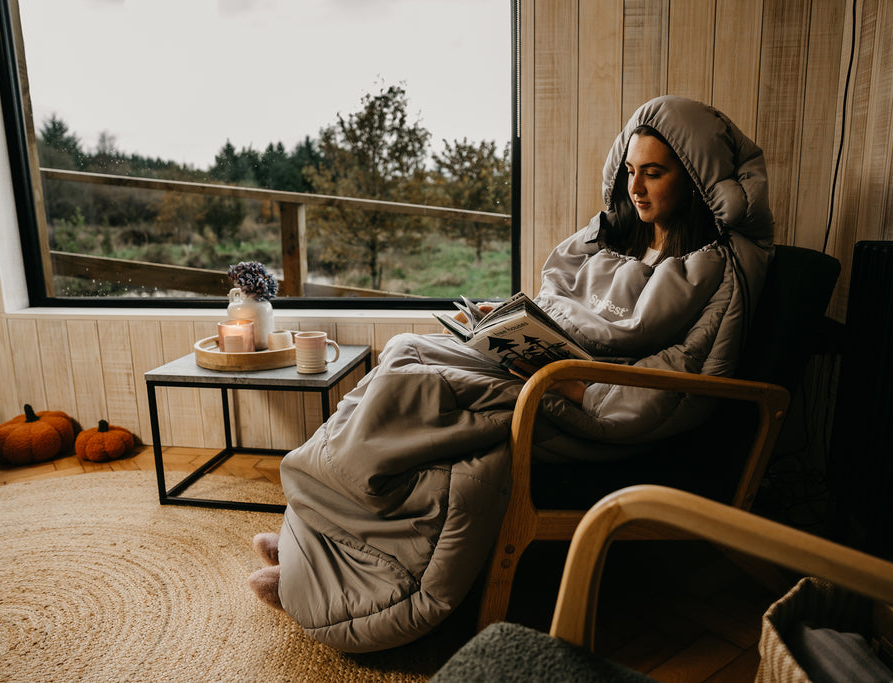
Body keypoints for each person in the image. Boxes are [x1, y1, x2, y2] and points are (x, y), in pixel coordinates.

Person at [248, 95, 774, 652]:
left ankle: (329, 571)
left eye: (654, 173)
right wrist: (496, 326)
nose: (636, 188)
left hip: (583, 404)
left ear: (693, 179)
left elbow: (679, 372)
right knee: (404, 351)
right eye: (630, 172)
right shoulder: (618, 242)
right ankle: (313, 544)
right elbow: (564, 309)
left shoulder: (710, 268)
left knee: (413, 389)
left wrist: (580, 388)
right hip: (545, 375)